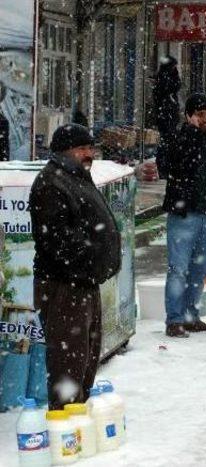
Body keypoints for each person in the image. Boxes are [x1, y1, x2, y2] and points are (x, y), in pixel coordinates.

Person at [30, 124, 121, 409]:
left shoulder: (75, 177)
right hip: (64, 286)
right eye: (82, 148)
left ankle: (77, 410)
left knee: (86, 354)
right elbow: (58, 242)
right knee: (67, 359)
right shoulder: (51, 183)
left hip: (83, 282)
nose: (88, 154)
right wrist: (90, 260)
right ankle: (65, 419)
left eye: (90, 148)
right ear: (64, 151)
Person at [163, 93, 206, 337]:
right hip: (185, 214)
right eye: (199, 115)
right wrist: (190, 134)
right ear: (188, 116)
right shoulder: (179, 138)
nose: (204, 120)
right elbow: (168, 164)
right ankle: (175, 319)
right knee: (178, 268)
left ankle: (191, 314)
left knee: (201, 269)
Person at [153, 56, 182, 178]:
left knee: (169, 143)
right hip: (166, 117)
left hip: (168, 117)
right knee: (167, 143)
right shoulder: (164, 78)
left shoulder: (165, 77)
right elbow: (173, 86)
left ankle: (166, 168)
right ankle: (164, 169)